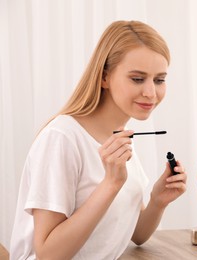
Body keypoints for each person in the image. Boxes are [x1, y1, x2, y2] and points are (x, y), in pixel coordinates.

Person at [10, 20, 187, 260]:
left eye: (159, 80)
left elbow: (137, 233)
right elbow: (49, 254)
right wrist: (110, 184)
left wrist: (158, 200)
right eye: (137, 79)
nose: (151, 93)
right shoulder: (62, 138)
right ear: (104, 78)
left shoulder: (119, 139)